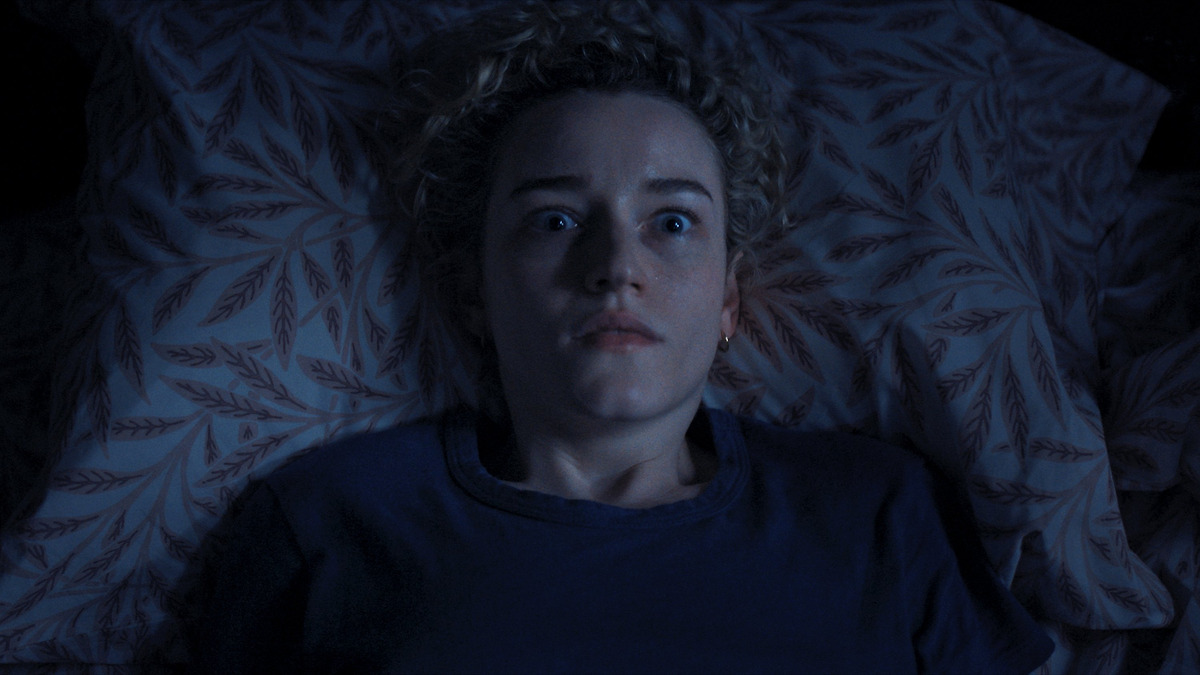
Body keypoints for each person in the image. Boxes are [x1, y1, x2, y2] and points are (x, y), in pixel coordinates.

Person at [184, 1, 1054, 672]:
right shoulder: (328, 523)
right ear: (475, 290)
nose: (616, 267)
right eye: (556, 219)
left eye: (672, 222)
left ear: (729, 299)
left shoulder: (875, 512)